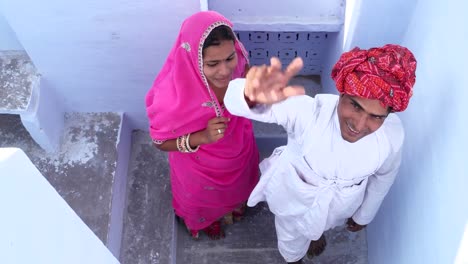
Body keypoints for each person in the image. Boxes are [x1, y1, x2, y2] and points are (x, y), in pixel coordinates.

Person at [224, 44, 417, 262]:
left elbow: (384, 177)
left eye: (376, 117)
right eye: (355, 105)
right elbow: (238, 101)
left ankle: (315, 235)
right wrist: (252, 96)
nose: (360, 124)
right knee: (290, 240)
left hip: (339, 208)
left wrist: (364, 215)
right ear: (341, 92)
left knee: (325, 223)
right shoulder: (310, 113)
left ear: (388, 115)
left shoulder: (391, 137)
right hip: (292, 202)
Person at [145, 11, 259, 240]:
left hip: (240, 147)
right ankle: (208, 221)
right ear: (193, 61)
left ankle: (235, 208)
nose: (225, 71)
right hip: (200, 169)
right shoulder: (171, 99)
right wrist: (202, 138)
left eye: (229, 58)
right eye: (213, 64)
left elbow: (245, 75)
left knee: (239, 188)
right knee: (205, 200)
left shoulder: (238, 60)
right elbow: (159, 142)